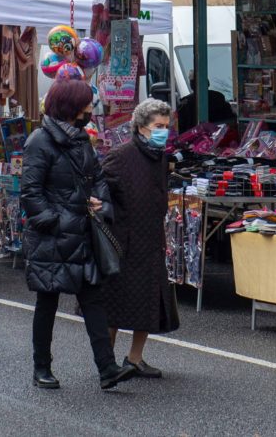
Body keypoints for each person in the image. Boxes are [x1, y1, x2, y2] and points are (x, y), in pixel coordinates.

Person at [21, 79, 136, 391]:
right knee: (47, 301)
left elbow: (97, 178)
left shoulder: (81, 140)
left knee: (93, 300)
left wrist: (102, 203)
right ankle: (41, 367)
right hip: (53, 236)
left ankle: (107, 368)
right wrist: (54, 222)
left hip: (83, 232)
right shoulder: (40, 141)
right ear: (71, 105)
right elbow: (31, 192)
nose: (89, 109)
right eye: (85, 103)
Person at [102, 98, 181, 377]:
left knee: (149, 301)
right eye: (158, 126)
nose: (163, 132)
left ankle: (135, 358)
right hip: (123, 241)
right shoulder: (121, 156)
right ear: (140, 127)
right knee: (115, 303)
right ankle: (106, 362)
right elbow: (99, 191)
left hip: (151, 239)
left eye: (166, 126)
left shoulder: (160, 158)